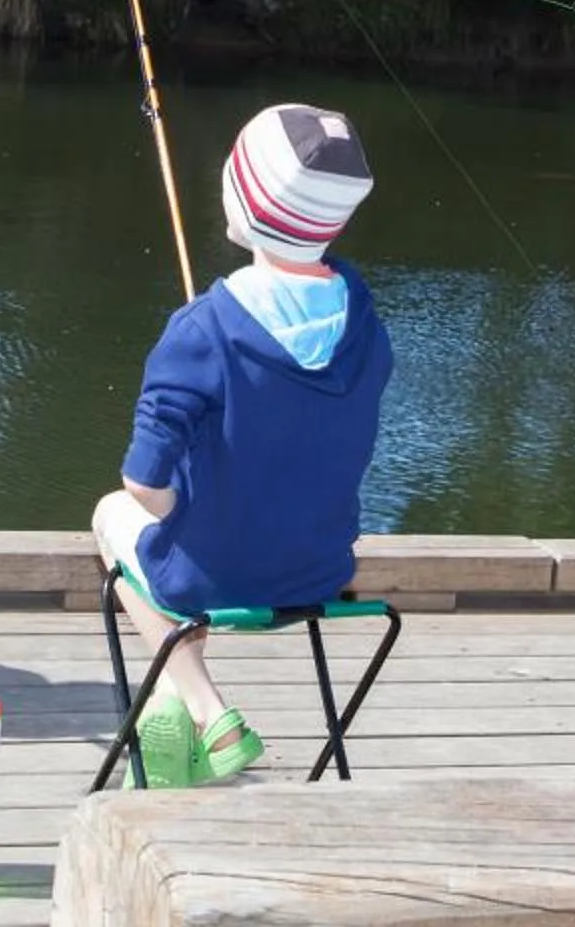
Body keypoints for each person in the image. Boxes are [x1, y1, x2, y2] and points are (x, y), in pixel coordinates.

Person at [92, 103, 394, 786]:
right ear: (337, 221)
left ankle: (206, 709)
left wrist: (185, 510)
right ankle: (171, 709)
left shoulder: (201, 329)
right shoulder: (366, 326)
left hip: (214, 579)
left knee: (112, 515)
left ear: (243, 204)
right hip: (318, 572)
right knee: (185, 551)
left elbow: (144, 484)